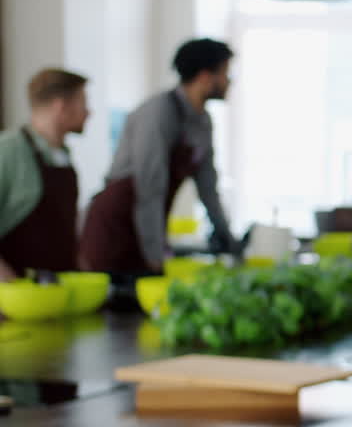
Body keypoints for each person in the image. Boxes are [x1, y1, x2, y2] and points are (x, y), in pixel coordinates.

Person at [80, 39, 237, 275]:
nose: (229, 81)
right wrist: (155, 256)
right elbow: (149, 189)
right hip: (116, 223)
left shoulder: (203, 122)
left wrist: (229, 242)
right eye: (225, 73)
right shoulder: (157, 113)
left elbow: (208, 188)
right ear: (205, 77)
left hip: (149, 223)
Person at [0, 69, 90, 280]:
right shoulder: (9, 149)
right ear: (61, 106)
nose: (89, 112)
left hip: (57, 290)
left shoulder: (62, 154)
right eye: (83, 103)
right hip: (16, 297)